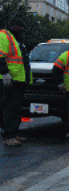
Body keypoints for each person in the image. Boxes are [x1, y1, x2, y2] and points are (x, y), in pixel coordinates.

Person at [0, 19, 32, 147]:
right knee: (9, 109)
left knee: (15, 109)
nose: (22, 30)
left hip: (18, 80)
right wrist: (4, 73)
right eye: (20, 27)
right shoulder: (4, 36)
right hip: (9, 80)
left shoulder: (17, 40)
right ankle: (8, 135)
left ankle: (13, 133)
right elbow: (0, 56)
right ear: (14, 26)